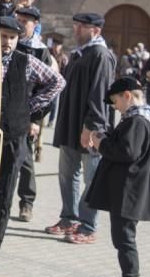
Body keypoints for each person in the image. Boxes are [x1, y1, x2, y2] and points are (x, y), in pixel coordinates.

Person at [0, 16, 64, 276]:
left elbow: (57, 81)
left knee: (4, 196)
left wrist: (30, 108)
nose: (6, 42)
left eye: (11, 38)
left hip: (13, 135)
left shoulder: (26, 63)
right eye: (3, 36)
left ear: (18, 40)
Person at [84, 77, 150, 277]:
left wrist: (101, 142)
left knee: (125, 240)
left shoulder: (137, 121)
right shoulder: (134, 119)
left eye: (116, 101)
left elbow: (127, 152)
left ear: (127, 95)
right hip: (127, 191)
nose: (115, 106)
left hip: (130, 192)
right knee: (121, 238)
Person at [46, 12, 116, 245]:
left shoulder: (100, 55)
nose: (75, 30)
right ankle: (69, 217)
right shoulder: (80, 54)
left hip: (89, 128)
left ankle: (88, 225)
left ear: (95, 30)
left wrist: (92, 127)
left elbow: (100, 93)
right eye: (75, 25)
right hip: (70, 125)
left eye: (81, 27)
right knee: (67, 174)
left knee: (91, 177)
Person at [12, 5, 54, 224]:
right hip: (6, 109)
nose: (21, 23)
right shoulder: (11, 43)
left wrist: (36, 120)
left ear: (35, 24)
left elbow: (48, 89)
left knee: (26, 161)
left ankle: (26, 203)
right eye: (18, 19)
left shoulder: (41, 52)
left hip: (27, 113)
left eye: (25, 21)